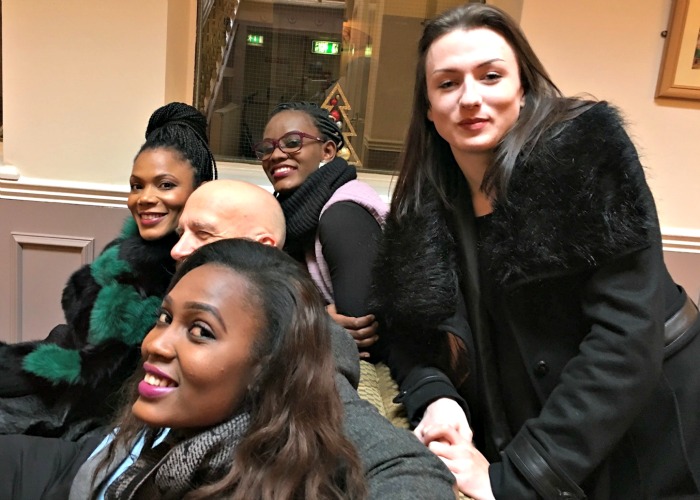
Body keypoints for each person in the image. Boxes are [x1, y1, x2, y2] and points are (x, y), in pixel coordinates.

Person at [370, 4, 700, 499]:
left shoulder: (586, 152)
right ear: (429, 110)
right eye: (448, 83)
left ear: (522, 88)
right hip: (529, 427)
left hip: (643, 429)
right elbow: (409, 332)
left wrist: (521, 478)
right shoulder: (423, 205)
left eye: (491, 76)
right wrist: (437, 398)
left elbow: (625, 337)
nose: (471, 98)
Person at [68, 239, 367, 498]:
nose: (155, 344)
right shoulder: (176, 448)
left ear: (264, 368)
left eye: (200, 331)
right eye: (165, 318)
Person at [0, 102, 217, 440]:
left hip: (113, 420)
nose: (144, 198)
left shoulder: (204, 273)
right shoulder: (123, 256)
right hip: (74, 388)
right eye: (136, 185)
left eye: (165, 185)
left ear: (198, 189)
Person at [256, 102, 387, 359]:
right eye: (267, 148)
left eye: (292, 143)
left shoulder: (344, 214)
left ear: (327, 151)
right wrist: (318, 317)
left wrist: (311, 321)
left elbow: (360, 331)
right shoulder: (289, 214)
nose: (276, 155)